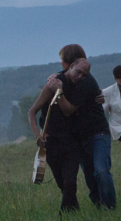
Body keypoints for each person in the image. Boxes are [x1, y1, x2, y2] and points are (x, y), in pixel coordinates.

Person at [54, 44, 116, 209]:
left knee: (101, 171)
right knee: (90, 177)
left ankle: (110, 208)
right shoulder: (68, 79)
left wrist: (57, 91)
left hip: (97, 134)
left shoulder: (84, 82)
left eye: (62, 60)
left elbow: (68, 111)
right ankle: (99, 206)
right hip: (79, 137)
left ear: (70, 62)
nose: (60, 63)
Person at [27, 58, 93, 211]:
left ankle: (64, 216)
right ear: (71, 66)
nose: (80, 77)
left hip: (72, 141)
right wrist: (38, 136)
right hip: (51, 142)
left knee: (70, 181)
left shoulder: (81, 88)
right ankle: (74, 212)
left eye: (84, 75)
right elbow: (31, 112)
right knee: (62, 184)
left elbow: (69, 111)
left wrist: (61, 92)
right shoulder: (53, 83)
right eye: (79, 72)